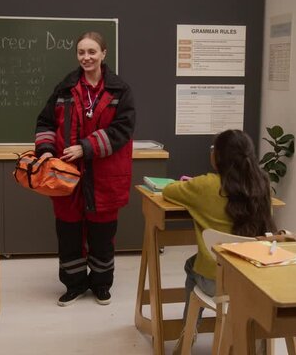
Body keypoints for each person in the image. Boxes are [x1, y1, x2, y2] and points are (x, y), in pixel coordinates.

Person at [35, 31, 136, 307]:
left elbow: (122, 130)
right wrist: (45, 153)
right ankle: (75, 285)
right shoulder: (64, 89)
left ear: (104, 54)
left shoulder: (119, 90)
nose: (86, 57)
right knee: (68, 233)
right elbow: (45, 123)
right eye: (81, 52)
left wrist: (85, 147)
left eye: (92, 51)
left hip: (104, 177)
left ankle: (101, 284)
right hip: (65, 175)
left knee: (102, 234)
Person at [162, 129, 276, 353]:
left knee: (192, 266)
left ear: (219, 157)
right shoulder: (261, 183)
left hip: (219, 283)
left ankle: (188, 334)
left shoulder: (205, 185)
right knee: (195, 264)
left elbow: (169, 190)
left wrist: (192, 185)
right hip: (254, 282)